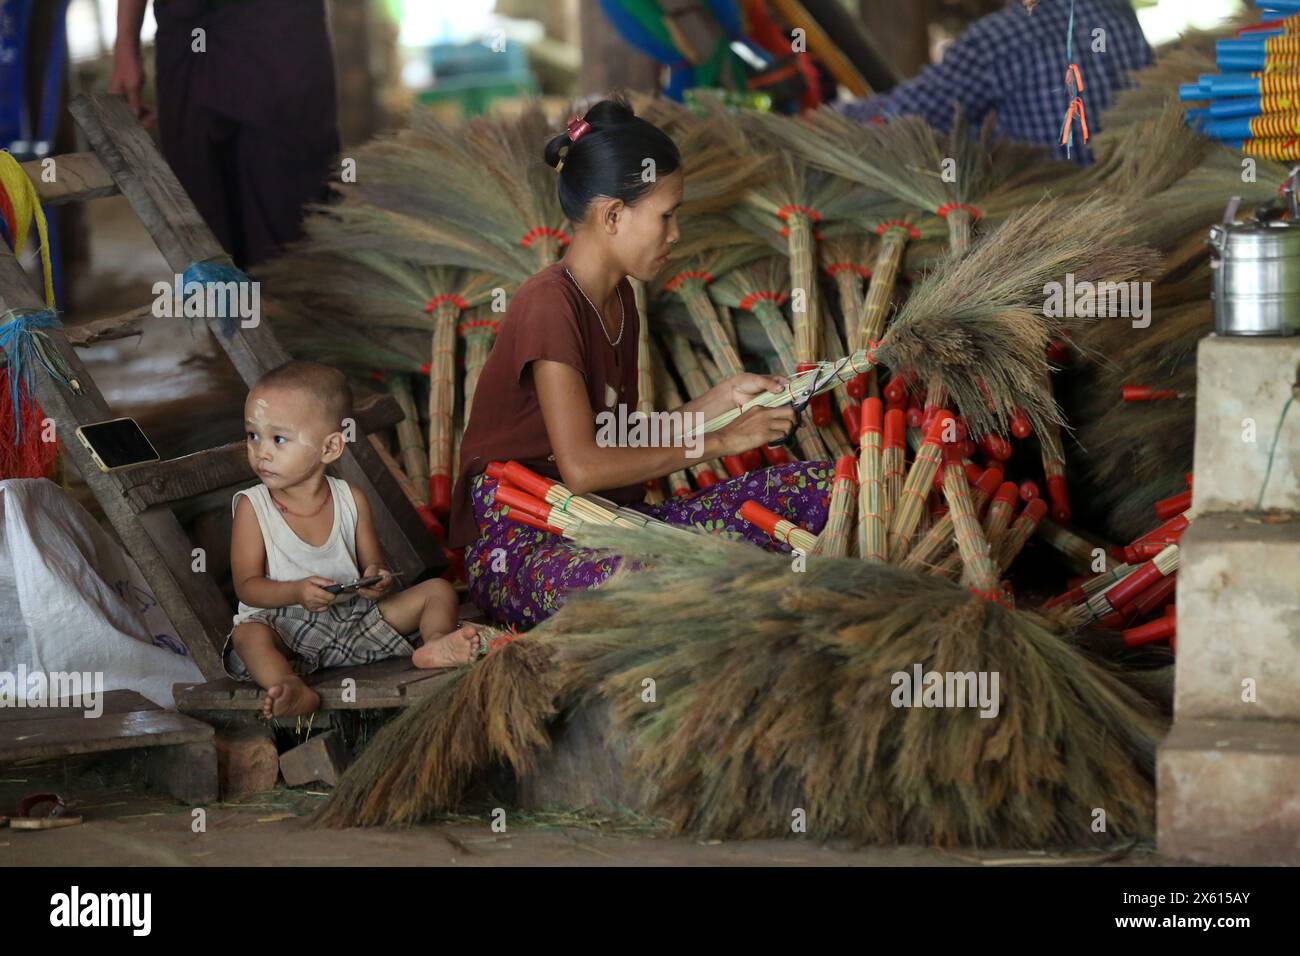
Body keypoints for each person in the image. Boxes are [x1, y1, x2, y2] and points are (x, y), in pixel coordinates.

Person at [448, 97, 834, 629]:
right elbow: (583, 469)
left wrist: (719, 401)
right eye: (666, 215)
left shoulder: (620, 299)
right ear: (612, 214)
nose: (675, 234)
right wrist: (720, 441)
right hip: (529, 545)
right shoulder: (548, 304)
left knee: (826, 485)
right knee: (651, 580)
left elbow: (620, 435)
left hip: (612, 526)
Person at [227, 360, 477, 718]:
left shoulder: (350, 499)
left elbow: (374, 566)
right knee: (247, 636)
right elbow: (248, 588)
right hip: (288, 632)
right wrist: (296, 592)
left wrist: (378, 580)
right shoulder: (255, 507)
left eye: (278, 439)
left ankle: (435, 644)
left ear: (330, 448)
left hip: (355, 621)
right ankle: (290, 685)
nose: (261, 451)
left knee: (437, 590)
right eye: (253, 435)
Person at [108, 0, 339, 267]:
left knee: (293, 218)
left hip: (279, 22)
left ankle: (295, 302)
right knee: (202, 219)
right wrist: (126, 41)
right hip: (185, 30)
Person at [837, 0, 1152, 164]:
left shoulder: (998, 36)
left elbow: (908, 114)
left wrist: (836, 118)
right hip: (1139, 187)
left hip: (1057, 210)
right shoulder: (1115, 9)